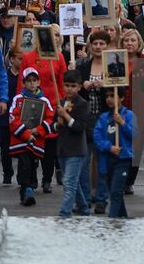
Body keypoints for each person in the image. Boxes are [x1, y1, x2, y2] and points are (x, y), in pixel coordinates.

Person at [8, 66, 55, 206]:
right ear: (23, 83)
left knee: (32, 164)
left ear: (39, 82)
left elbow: (50, 119)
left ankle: (29, 187)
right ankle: (26, 190)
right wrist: (26, 134)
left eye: (34, 80)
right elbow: (12, 117)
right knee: (24, 164)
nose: (32, 83)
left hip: (37, 140)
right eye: (28, 81)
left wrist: (38, 130)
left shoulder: (44, 101)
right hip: (21, 140)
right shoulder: (18, 99)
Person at [55, 71, 93, 217]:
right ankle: (83, 208)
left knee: (69, 183)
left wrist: (66, 116)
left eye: (73, 86)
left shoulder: (83, 104)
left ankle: (64, 214)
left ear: (79, 87)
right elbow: (54, 125)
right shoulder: (60, 102)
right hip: (62, 149)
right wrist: (57, 123)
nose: (69, 89)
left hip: (77, 150)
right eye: (67, 85)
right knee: (73, 183)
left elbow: (80, 128)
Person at [92, 88, 134, 218]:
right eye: (107, 96)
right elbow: (97, 136)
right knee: (114, 193)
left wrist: (122, 123)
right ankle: (123, 219)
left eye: (112, 96)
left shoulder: (129, 115)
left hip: (123, 159)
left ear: (121, 98)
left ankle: (112, 222)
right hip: (107, 160)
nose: (109, 99)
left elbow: (134, 134)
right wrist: (109, 147)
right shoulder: (104, 118)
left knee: (116, 192)